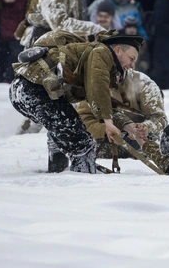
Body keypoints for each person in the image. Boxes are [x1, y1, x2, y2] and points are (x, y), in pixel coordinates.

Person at [9, 31, 145, 173]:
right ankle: (81, 186)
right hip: (35, 89)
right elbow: (97, 86)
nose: (133, 65)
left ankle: (57, 174)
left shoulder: (97, 56)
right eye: (132, 58)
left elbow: (103, 101)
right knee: (82, 143)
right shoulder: (102, 52)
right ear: (118, 50)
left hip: (23, 90)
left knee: (62, 134)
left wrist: (127, 125)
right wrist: (108, 122)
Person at [77, 69, 166, 159]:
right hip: (106, 143)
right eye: (131, 59)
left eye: (133, 59)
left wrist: (144, 127)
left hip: (144, 141)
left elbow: (160, 119)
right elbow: (83, 121)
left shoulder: (144, 83)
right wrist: (106, 130)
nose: (132, 64)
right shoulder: (95, 85)